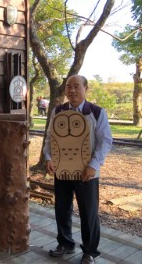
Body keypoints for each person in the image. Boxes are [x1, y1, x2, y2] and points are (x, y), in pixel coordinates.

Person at [43, 75, 112, 264]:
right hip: (62, 170)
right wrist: (49, 158)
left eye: (76, 86)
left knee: (88, 212)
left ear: (85, 88)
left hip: (87, 172)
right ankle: (65, 243)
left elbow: (105, 142)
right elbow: (50, 137)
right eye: (68, 87)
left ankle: (90, 251)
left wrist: (94, 165)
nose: (72, 90)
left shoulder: (97, 112)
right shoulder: (58, 111)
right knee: (62, 208)